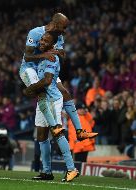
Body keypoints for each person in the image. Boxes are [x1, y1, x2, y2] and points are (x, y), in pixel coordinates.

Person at [19, 13, 98, 141]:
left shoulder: (59, 37)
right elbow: (27, 57)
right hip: (31, 68)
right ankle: (50, 128)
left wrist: (59, 53)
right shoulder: (35, 33)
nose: (64, 30)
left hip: (45, 69)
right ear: (56, 25)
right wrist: (43, 55)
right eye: (63, 27)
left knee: (66, 93)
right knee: (42, 94)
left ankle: (80, 131)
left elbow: (62, 55)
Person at [24, 33, 79, 182]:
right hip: (42, 100)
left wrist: (31, 88)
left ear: (52, 44)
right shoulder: (42, 54)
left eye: (45, 40)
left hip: (52, 100)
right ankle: (47, 172)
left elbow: (48, 80)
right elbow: (27, 56)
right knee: (41, 135)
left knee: (57, 132)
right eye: (41, 39)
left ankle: (71, 169)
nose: (41, 42)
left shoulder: (52, 58)